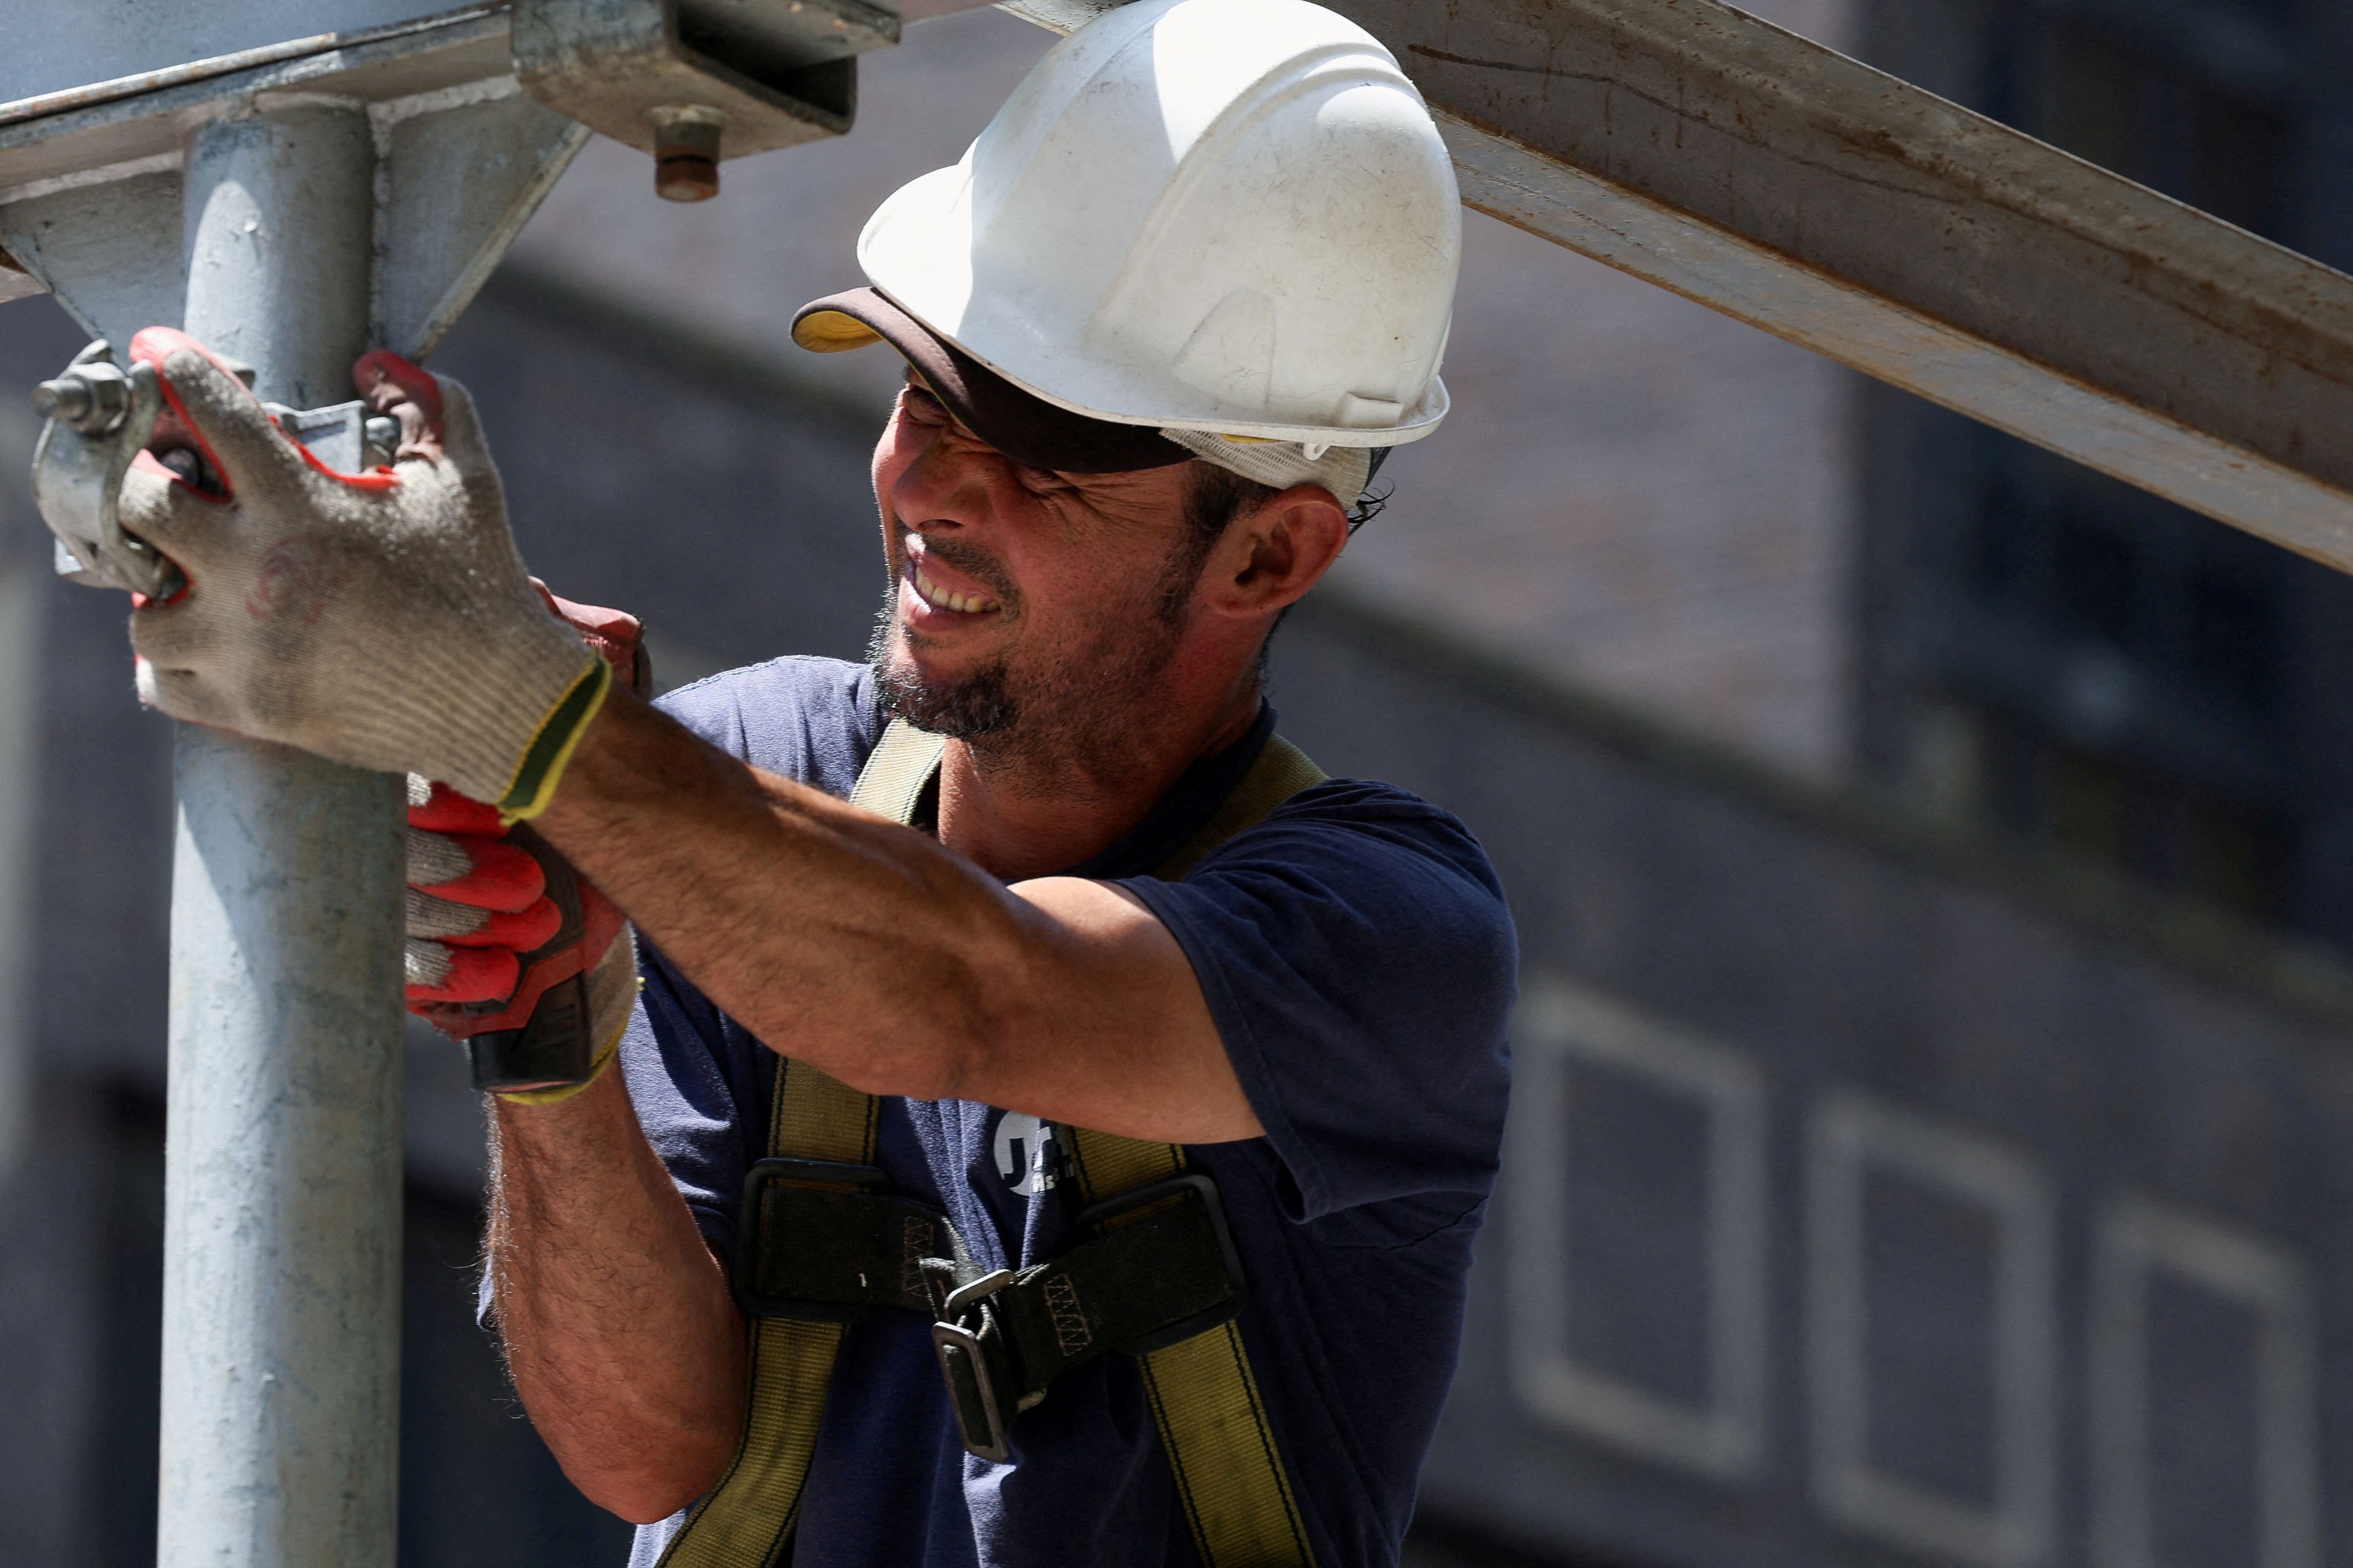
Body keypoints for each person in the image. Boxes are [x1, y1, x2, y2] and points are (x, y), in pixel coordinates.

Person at [98, 0, 1515, 1561]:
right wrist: (559, 1033)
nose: (927, 486)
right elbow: (648, 1449)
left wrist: (512, 704)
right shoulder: (740, 770)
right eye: (924, 393)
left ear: (1267, 548)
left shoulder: (1387, 938)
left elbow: (976, 994)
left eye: (1039, 444)